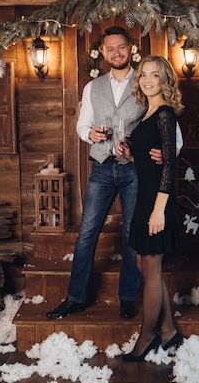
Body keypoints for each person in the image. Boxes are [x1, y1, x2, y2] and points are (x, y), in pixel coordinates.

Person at [46, 27, 182, 320]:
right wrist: (89, 134)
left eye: (121, 48)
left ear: (130, 48)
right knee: (86, 234)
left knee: (132, 236)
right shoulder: (92, 87)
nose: (116, 53)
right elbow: (82, 125)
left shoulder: (146, 81)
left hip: (137, 172)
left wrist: (168, 153)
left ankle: (127, 296)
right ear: (104, 53)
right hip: (102, 169)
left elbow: (171, 129)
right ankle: (75, 297)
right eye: (110, 49)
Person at [117, 55, 184, 362]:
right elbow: (151, 160)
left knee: (151, 268)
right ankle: (169, 330)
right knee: (146, 266)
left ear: (164, 80)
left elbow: (170, 167)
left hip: (158, 200)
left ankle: (147, 336)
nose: (146, 79)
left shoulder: (165, 114)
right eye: (143, 74)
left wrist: (159, 210)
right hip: (145, 197)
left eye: (154, 75)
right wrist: (132, 155)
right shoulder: (148, 113)